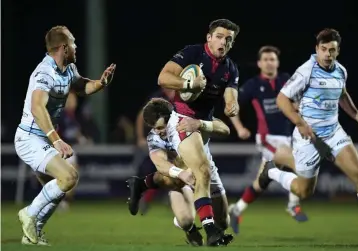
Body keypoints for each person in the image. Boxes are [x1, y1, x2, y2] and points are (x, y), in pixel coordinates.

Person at [266, 28, 358, 243]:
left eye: (332, 50)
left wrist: (357, 117)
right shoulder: (306, 71)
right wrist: (300, 123)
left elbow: (342, 94)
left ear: (337, 51)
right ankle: (272, 172)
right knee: (303, 192)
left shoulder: (340, 71)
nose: (328, 54)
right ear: (317, 50)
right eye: (324, 50)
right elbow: (282, 100)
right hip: (308, 137)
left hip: (333, 133)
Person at [14, 25, 116, 245]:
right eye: (73, 42)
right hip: (29, 138)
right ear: (63, 47)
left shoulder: (68, 70)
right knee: (69, 177)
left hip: (41, 138)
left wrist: (100, 83)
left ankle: (33, 234)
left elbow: (81, 87)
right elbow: (37, 108)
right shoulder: (44, 72)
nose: (76, 46)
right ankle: (29, 214)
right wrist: (57, 140)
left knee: (60, 186)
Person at [157, 19, 240, 246]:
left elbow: (231, 97)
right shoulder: (192, 53)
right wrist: (187, 85)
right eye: (220, 37)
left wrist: (233, 106)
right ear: (209, 38)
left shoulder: (230, 69)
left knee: (224, 220)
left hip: (202, 127)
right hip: (182, 120)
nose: (224, 42)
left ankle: (201, 220)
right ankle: (210, 231)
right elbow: (163, 77)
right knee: (201, 171)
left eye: (229, 39)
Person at [127, 98, 233, 246]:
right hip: (181, 180)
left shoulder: (188, 120)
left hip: (205, 172)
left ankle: (142, 184)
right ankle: (195, 230)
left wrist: (201, 124)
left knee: (223, 222)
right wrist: (181, 174)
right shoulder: (154, 136)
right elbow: (160, 164)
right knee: (185, 220)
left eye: (161, 127)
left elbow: (225, 129)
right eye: (155, 128)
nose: (160, 132)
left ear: (170, 117)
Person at [228, 46, 308, 234]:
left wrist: (298, 108)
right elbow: (232, 106)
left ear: (277, 63)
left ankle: (236, 209)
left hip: (289, 138)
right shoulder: (253, 85)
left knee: (261, 182)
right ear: (259, 63)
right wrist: (239, 127)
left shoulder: (286, 80)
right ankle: (293, 205)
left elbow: (298, 102)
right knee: (299, 164)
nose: (269, 62)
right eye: (265, 59)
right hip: (267, 139)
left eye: (272, 59)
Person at [134, 88, 175, 214]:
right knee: (164, 171)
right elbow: (141, 117)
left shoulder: (181, 96)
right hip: (159, 140)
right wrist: (140, 138)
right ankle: (149, 198)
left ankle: (170, 197)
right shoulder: (157, 97)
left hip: (174, 139)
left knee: (172, 170)